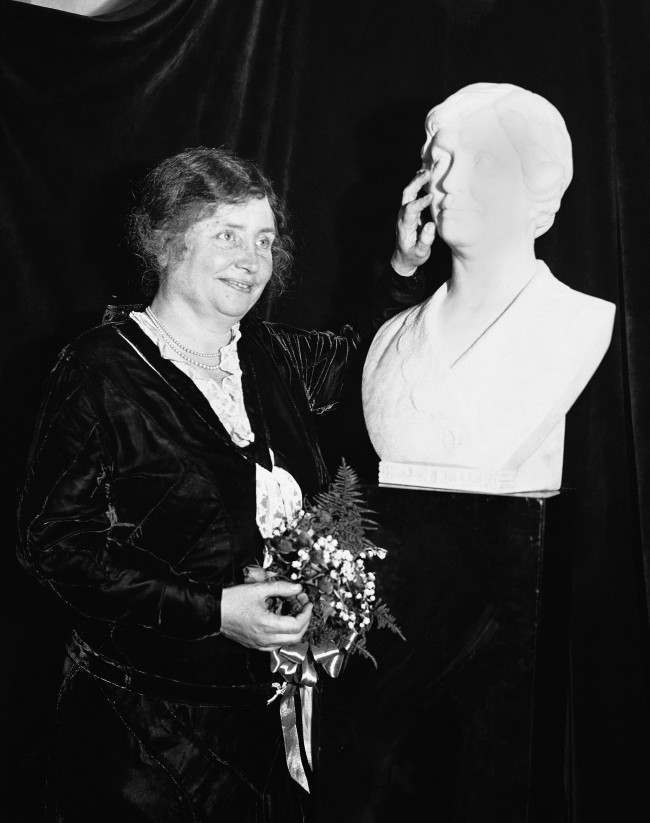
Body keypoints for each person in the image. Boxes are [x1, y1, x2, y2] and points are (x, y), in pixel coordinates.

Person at [17, 147, 433, 822]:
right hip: (141, 748)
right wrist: (211, 609)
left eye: (264, 240)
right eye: (227, 236)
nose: (251, 258)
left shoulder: (271, 355)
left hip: (264, 735)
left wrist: (403, 269)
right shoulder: (98, 369)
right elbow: (54, 546)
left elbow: (373, 366)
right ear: (165, 241)